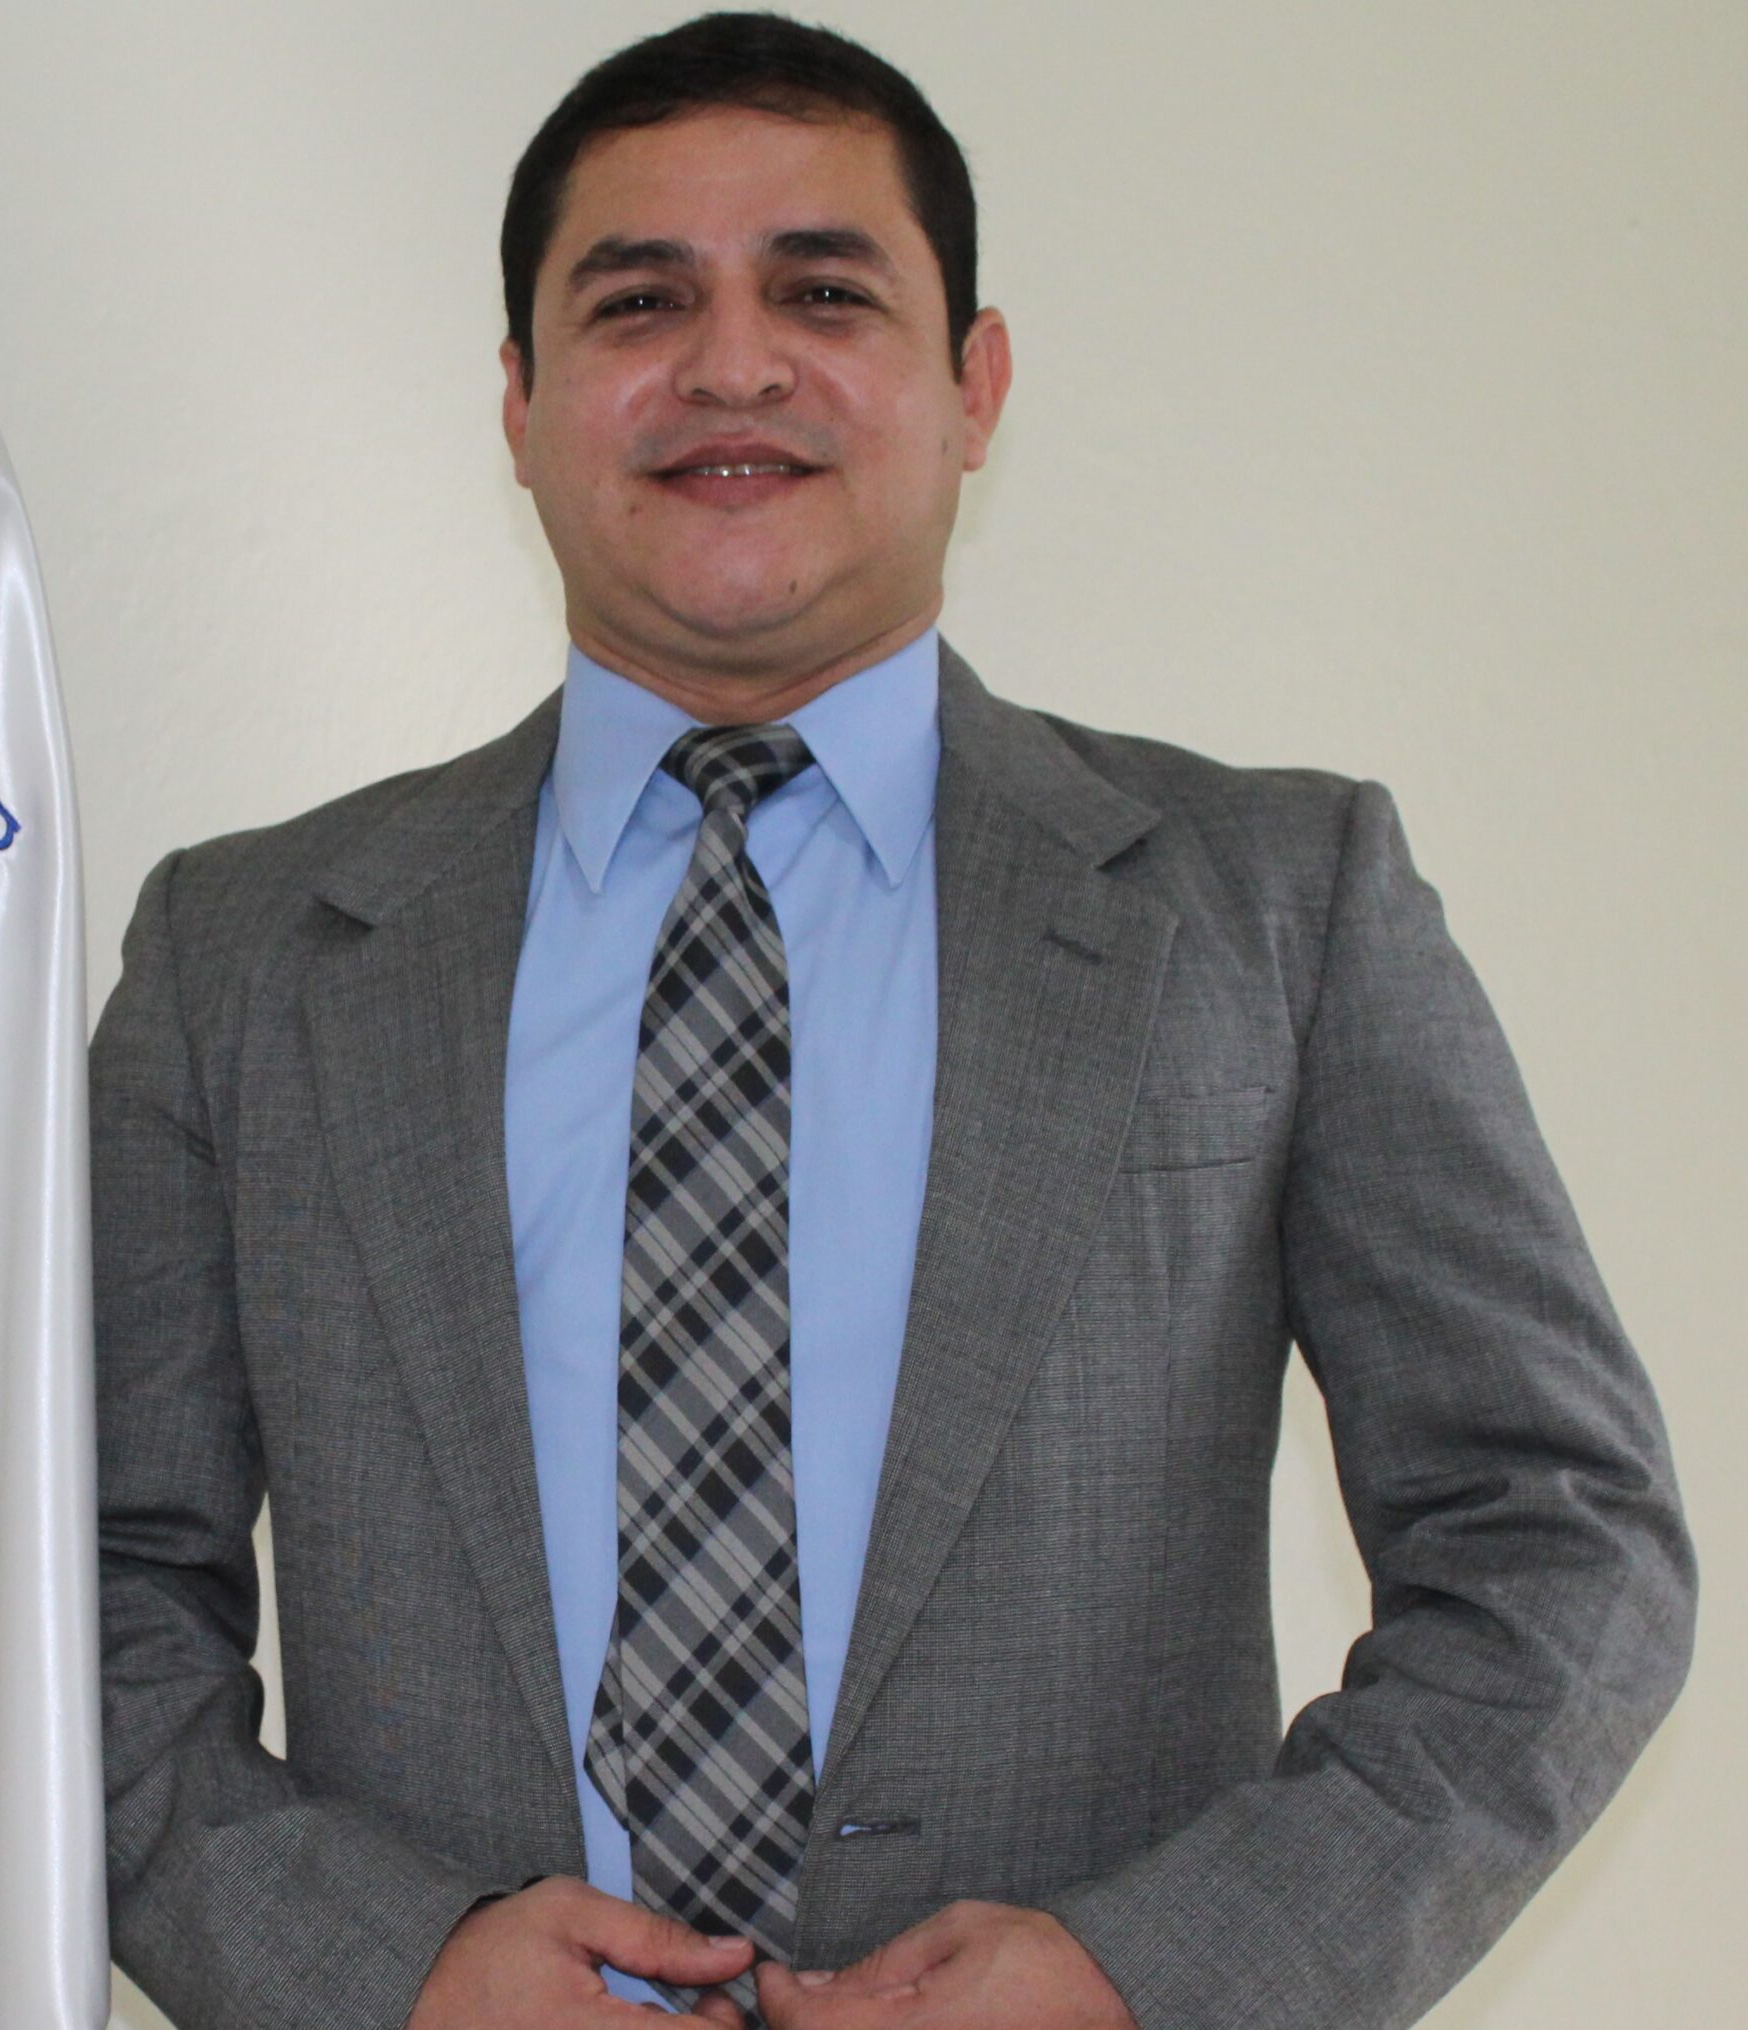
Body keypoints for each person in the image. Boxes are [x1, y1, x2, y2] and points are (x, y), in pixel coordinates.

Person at [88, 13, 1695, 2028]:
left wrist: (1147, 1978)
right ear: (518, 400)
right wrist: (385, 1973)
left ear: (972, 384)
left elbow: (1561, 1547)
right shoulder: (242, 957)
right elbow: (78, 1591)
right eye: (637, 301)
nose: (732, 365)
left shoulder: (1282, 907)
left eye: (824, 293)